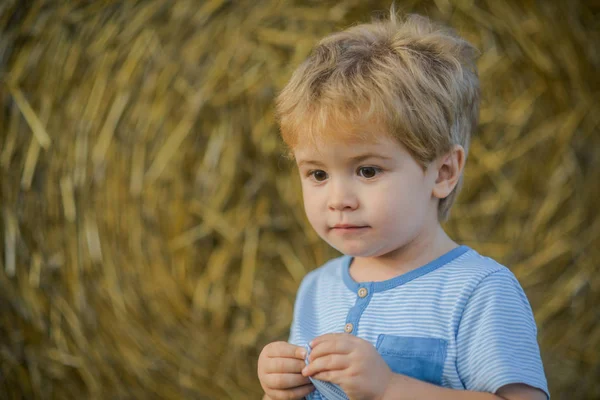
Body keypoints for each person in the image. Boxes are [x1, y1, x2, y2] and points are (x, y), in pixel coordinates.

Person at [257, 8, 549, 400]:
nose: (338, 200)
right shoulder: (316, 290)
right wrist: (280, 389)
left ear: (444, 172)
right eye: (318, 174)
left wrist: (390, 386)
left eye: (368, 171)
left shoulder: (478, 291)